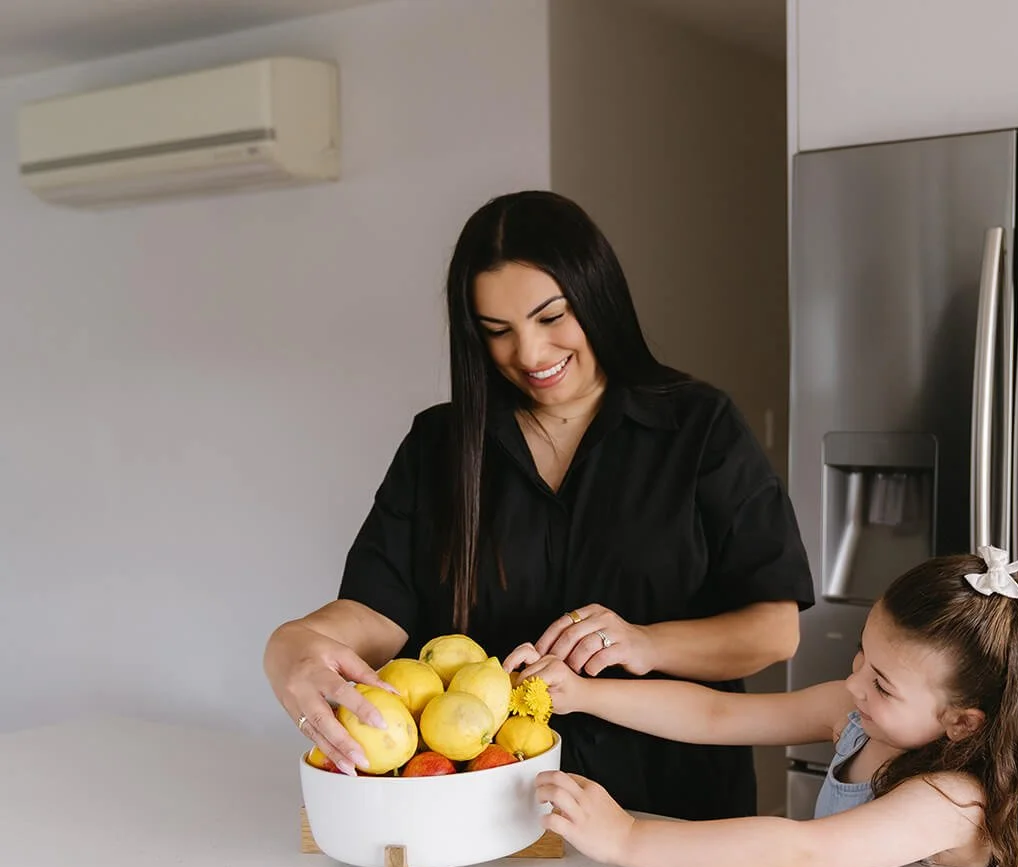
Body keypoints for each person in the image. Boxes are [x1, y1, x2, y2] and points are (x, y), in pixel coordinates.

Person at [263, 191, 815, 820]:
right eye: (497, 332)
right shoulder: (440, 446)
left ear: (597, 296)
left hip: (672, 812)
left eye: (551, 317)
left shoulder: (699, 427)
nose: (528, 354)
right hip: (486, 814)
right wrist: (294, 643)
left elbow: (773, 631)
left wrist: (645, 644)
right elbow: (374, 612)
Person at [518, 547, 1018, 867]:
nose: (853, 682)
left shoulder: (953, 802)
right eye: (863, 654)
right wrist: (581, 695)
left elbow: (802, 852)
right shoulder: (859, 715)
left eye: (882, 684)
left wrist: (628, 837)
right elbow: (719, 715)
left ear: (961, 722)